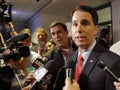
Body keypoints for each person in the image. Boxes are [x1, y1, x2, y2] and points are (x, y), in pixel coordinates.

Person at [66, 5, 120, 90]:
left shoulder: (112, 62)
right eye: (75, 24)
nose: (78, 29)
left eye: (84, 23)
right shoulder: (69, 59)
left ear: (96, 29)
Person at [43, 21, 77, 90]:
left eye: (59, 32)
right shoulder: (49, 57)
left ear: (66, 32)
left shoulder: (79, 46)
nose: (56, 36)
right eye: (53, 34)